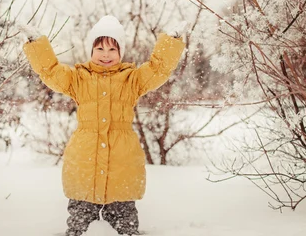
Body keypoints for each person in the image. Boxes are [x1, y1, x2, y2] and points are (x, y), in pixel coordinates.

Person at [21, 15, 186, 236]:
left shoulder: (132, 80)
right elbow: (50, 71)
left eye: (112, 49)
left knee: (125, 221)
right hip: (85, 162)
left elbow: (158, 69)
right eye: (100, 48)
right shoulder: (78, 79)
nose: (106, 55)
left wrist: (171, 42)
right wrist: (36, 44)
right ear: (91, 51)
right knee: (79, 221)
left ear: (121, 53)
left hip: (122, 164)